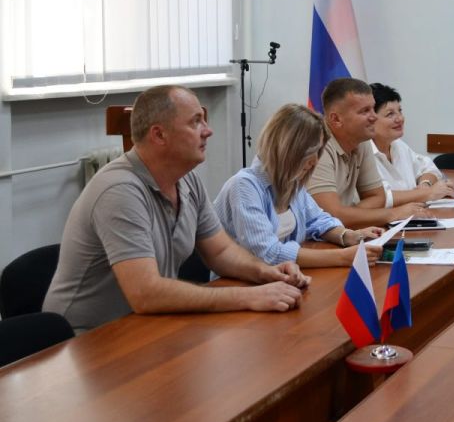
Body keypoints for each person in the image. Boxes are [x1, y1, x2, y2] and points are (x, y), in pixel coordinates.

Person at [43, 85, 310, 334]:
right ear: (159, 134)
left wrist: (268, 272)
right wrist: (249, 296)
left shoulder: (187, 179)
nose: (208, 130)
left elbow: (221, 251)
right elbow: (146, 292)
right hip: (85, 340)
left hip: (144, 326)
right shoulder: (119, 190)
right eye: (196, 121)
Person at [214, 104, 383, 268]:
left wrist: (349, 236)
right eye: (311, 152)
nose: (315, 161)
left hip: (282, 278)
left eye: (319, 152)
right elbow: (268, 253)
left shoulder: (292, 182)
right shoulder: (244, 186)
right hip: (240, 284)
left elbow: (318, 221)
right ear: (287, 148)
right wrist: (343, 257)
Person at [307, 77, 424, 228]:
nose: (374, 117)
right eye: (364, 111)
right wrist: (395, 214)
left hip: (340, 232)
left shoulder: (361, 140)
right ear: (336, 119)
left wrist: (346, 213)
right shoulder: (317, 145)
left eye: (373, 108)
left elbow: (378, 197)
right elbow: (330, 216)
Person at [368, 83, 454, 205]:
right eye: (390, 114)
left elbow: (428, 168)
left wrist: (425, 185)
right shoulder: (363, 154)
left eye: (399, 111)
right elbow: (381, 198)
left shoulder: (398, 145)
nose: (400, 119)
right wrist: (427, 193)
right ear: (370, 119)